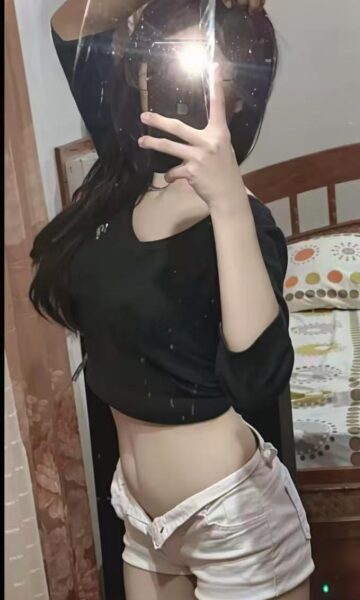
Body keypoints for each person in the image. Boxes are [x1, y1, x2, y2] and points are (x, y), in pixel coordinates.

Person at [30, 1, 315, 598]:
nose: (176, 85)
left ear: (238, 96)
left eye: (208, 72)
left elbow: (258, 378)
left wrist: (227, 197)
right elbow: (72, 24)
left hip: (234, 522)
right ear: (139, 74)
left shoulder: (244, 221)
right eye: (159, 63)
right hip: (140, 519)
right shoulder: (123, 176)